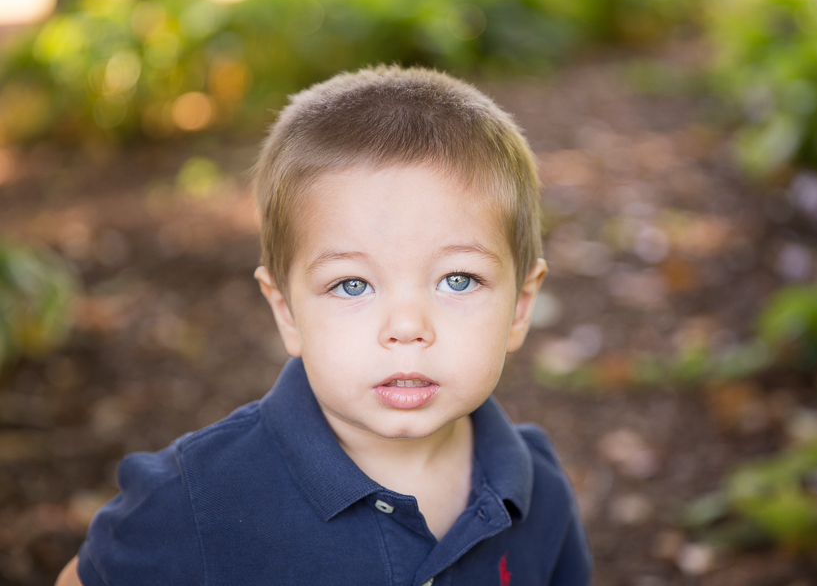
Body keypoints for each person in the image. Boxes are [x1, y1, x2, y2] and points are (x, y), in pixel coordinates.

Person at [57, 66, 591, 585]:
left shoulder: (536, 488)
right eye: (352, 285)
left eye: (457, 280)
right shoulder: (196, 499)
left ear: (521, 307)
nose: (406, 327)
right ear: (286, 311)